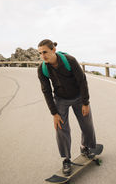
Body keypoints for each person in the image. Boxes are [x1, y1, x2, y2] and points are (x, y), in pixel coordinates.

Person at [37, 39, 96, 175]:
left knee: (87, 124)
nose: (42, 56)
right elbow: (46, 91)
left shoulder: (70, 61)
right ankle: (66, 159)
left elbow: (82, 81)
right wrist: (54, 113)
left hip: (78, 97)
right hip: (60, 100)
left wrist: (85, 103)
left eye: (45, 52)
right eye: (40, 53)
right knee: (61, 129)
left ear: (53, 50)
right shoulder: (42, 69)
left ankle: (85, 147)